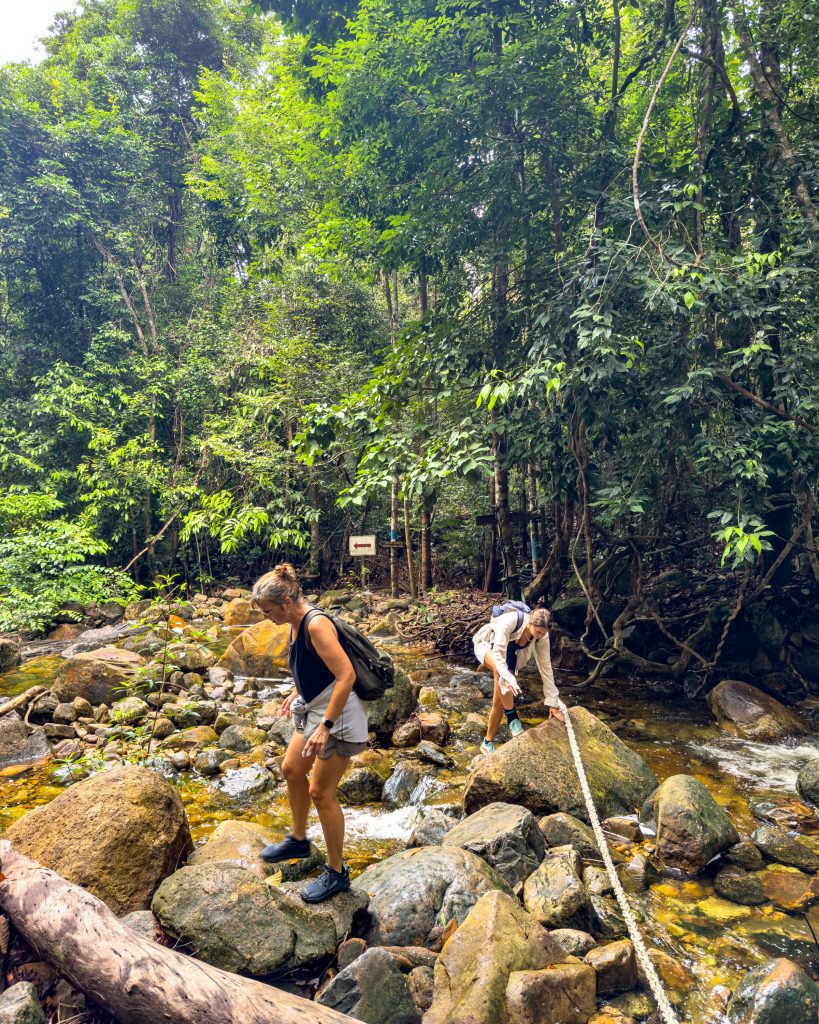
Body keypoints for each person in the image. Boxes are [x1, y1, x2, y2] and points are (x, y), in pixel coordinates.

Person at [250, 564, 368, 902]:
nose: (267, 618)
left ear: (286, 602)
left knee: (321, 793)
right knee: (291, 768)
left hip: (338, 716)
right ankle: (299, 841)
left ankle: (337, 873)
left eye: (268, 611)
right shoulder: (294, 623)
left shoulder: (316, 624)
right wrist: (297, 690)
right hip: (318, 706)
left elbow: (345, 676)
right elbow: (314, 666)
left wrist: (325, 727)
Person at [472, 605, 564, 755]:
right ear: (530, 623)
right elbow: (498, 655)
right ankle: (513, 718)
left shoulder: (542, 637)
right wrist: (508, 677)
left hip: (509, 659)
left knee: (499, 702)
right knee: (499, 671)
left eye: (543, 633)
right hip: (488, 647)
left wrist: (553, 702)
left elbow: (546, 667)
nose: (540, 636)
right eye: (538, 632)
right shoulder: (510, 621)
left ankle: (487, 743)